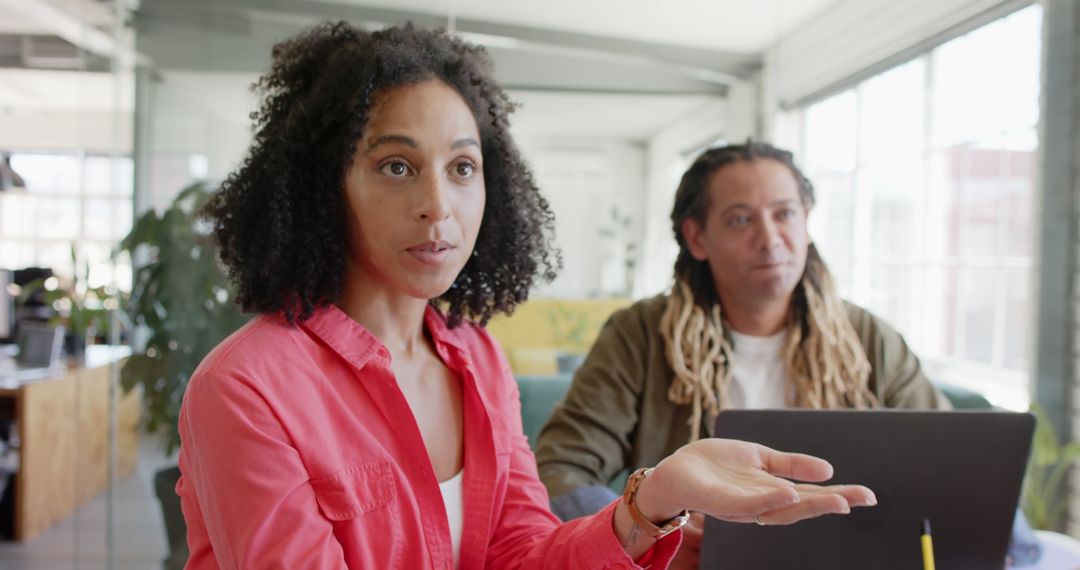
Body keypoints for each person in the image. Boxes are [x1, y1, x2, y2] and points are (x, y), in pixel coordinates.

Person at [175, 24, 876, 569]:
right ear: (324, 187)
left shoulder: (476, 360)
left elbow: (525, 556)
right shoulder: (247, 387)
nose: (437, 205)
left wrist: (655, 498)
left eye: (462, 168)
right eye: (396, 166)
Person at [533, 142, 954, 568]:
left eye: (785, 213)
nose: (770, 239)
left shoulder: (867, 339)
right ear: (697, 238)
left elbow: (952, 459)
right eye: (741, 219)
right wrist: (646, 530)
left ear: (806, 222)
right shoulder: (641, 335)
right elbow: (562, 469)